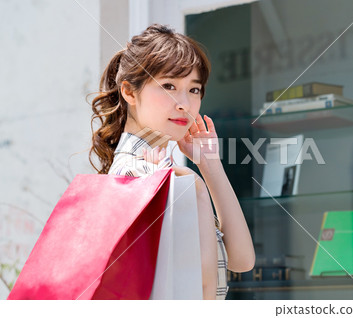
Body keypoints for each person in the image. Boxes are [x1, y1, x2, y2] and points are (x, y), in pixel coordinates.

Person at [88, 24, 255, 300]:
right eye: (168, 86)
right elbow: (202, 291)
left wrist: (208, 164)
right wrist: (195, 188)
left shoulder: (158, 171)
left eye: (194, 90)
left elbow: (241, 261)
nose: (184, 104)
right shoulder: (138, 175)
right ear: (129, 92)